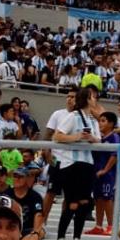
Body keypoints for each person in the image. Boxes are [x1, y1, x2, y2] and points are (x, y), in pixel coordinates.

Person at [52, 85, 102, 240]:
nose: (95, 100)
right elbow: (57, 135)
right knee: (72, 202)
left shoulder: (93, 120)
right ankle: (61, 237)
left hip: (87, 164)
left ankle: (77, 238)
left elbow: (99, 140)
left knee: (84, 202)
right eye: (93, 97)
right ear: (87, 98)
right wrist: (77, 136)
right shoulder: (73, 116)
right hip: (71, 164)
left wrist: (91, 138)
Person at [41, 87, 78, 226]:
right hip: (57, 160)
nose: (69, 99)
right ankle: (42, 222)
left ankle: (63, 224)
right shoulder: (57, 114)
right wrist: (46, 151)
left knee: (69, 197)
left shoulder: (80, 117)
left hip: (73, 162)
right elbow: (48, 134)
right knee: (51, 192)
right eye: (68, 96)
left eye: (73, 97)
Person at [85, 112, 120, 236]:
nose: (100, 123)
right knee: (98, 198)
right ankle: (98, 226)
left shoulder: (114, 137)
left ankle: (111, 226)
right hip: (96, 173)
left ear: (111, 123)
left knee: (107, 198)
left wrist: (105, 170)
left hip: (108, 174)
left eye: (103, 121)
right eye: (99, 121)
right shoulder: (99, 138)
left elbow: (114, 155)